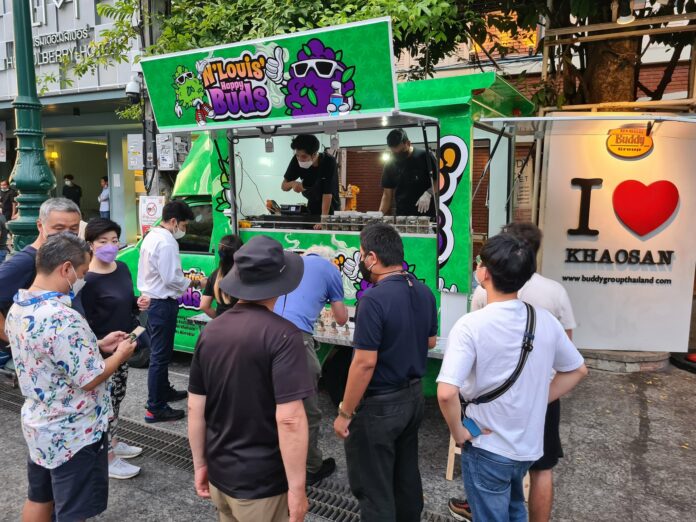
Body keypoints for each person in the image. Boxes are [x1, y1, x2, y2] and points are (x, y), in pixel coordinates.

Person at [437, 233, 588, 522]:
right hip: (527, 447)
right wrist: (539, 397)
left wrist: (458, 433)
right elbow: (578, 369)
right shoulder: (543, 319)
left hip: (487, 446)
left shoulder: (471, 325)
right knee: (514, 507)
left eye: (479, 262)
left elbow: (446, 393)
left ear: (486, 274)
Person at [5, 232, 136, 522]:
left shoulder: (19, 307)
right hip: (74, 433)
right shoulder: (63, 317)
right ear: (66, 269)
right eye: (82, 272)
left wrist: (97, 345)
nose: (82, 279)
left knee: (40, 498)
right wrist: (120, 355)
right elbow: (90, 378)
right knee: (74, 510)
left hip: (40, 425)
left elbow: (48, 353)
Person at [188, 235, 312, 522]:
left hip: (220, 475)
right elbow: (290, 419)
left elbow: (196, 407)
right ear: (280, 286)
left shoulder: (211, 331)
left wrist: (200, 464)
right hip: (263, 485)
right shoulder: (284, 336)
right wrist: (297, 489)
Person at [333, 223, 438, 521]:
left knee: (374, 487)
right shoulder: (423, 291)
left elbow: (364, 363)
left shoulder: (373, 299)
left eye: (362, 253)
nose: (361, 259)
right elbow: (430, 340)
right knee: (405, 477)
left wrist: (345, 412)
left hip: (380, 406)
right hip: (414, 398)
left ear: (372, 258)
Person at [75, 218, 151, 480]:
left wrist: (137, 303)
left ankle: (114, 441)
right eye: (103, 241)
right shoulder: (86, 279)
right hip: (101, 352)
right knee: (103, 404)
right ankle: (107, 457)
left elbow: (124, 302)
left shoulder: (121, 268)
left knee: (117, 398)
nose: (110, 246)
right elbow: (81, 319)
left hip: (125, 346)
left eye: (114, 240)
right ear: (90, 245)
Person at [274, 245, 348, 485]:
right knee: (307, 409)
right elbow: (341, 318)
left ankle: (274, 459)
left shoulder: (290, 264)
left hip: (265, 333)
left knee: (272, 400)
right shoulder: (330, 269)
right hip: (296, 341)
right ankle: (312, 467)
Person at [138, 199, 201, 423]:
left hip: (154, 301)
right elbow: (172, 279)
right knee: (160, 356)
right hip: (162, 304)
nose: (183, 230)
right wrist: (193, 283)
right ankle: (155, 407)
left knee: (160, 354)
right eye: (183, 225)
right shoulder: (166, 242)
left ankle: (163, 391)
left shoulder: (152, 236)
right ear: (173, 221)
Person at [0, 198, 81, 371]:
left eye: (73, 229)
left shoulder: (59, 257)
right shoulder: (24, 262)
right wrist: (13, 336)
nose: (67, 234)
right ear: (40, 226)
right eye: (58, 228)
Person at [280, 134, 340, 226]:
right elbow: (283, 186)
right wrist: (292, 183)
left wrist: (323, 221)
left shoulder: (328, 162)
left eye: (304, 157)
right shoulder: (296, 160)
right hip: (312, 207)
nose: (300, 159)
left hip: (330, 209)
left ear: (314, 154)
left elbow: (327, 194)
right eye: (297, 155)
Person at [379, 129, 437, 217]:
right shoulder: (390, 163)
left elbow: (441, 179)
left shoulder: (425, 156)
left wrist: (429, 193)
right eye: (394, 153)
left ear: (408, 143)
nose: (398, 155)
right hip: (402, 216)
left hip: (426, 215)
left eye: (401, 151)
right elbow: (387, 194)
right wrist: (380, 214)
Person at [200, 235, 243, 319]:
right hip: (242, 324)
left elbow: (204, 306)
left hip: (221, 325)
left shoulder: (214, 275)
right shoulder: (245, 275)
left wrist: (219, 319)